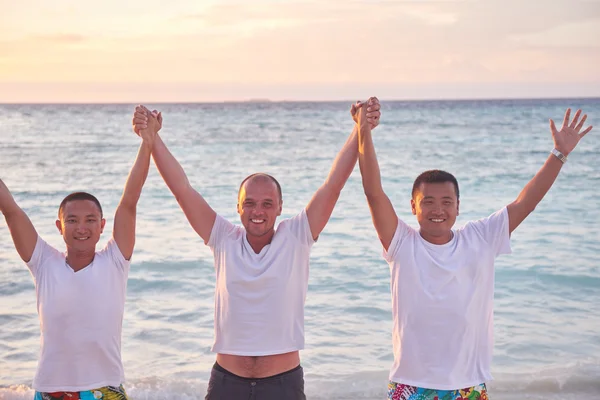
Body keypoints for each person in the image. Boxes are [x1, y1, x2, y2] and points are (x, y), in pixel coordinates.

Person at [131, 99, 381, 399]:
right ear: (238, 207)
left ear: (279, 208)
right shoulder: (223, 237)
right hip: (227, 384)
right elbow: (182, 188)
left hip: (282, 385)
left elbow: (333, 185)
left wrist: (360, 128)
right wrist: (153, 138)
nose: (257, 211)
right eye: (249, 203)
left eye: (266, 204)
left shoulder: (297, 235)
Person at [356, 108, 593, 399]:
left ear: (458, 206)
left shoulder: (480, 237)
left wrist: (559, 154)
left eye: (446, 201)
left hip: (467, 385)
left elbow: (525, 203)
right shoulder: (401, 242)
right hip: (411, 384)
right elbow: (373, 192)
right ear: (413, 206)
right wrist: (363, 131)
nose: (438, 210)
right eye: (427, 201)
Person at [0, 113, 160, 400]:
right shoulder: (43, 263)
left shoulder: (114, 261)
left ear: (102, 226)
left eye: (90, 220)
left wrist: (147, 143)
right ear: (60, 227)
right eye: (72, 221)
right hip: (52, 389)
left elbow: (129, 202)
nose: (81, 228)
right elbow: (10, 209)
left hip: (105, 388)